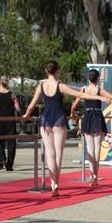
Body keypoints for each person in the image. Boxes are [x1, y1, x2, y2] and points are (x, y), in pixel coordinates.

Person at [22, 62, 75, 196]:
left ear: (46, 70)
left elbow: (31, 106)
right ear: (58, 71)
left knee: (50, 154)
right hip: (58, 118)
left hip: (45, 118)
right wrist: (98, 96)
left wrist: (25, 116)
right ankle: (56, 182)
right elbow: (78, 93)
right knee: (58, 153)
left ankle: (53, 183)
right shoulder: (61, 86)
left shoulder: (41, 86)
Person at [72, 70, 112, 185]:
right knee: (97, 148)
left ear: (89, 78)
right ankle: (95, 176)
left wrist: (73, 115)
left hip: (87, 117)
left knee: (90, 149)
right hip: (97, 117)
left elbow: (74, 105)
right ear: (98, 78)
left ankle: (92, 175)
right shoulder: (99, 90)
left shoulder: (83, 90)